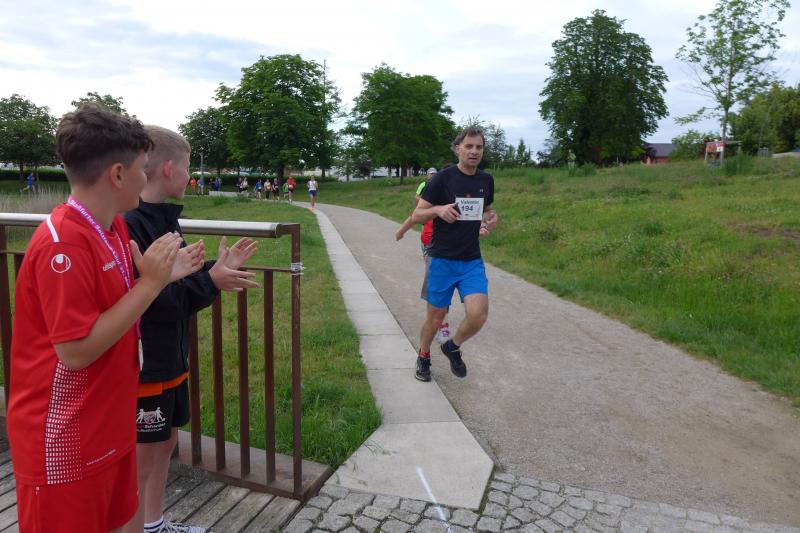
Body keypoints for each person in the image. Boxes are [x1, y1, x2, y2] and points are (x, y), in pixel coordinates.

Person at [6, 104, 202, 533]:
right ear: (117, 174)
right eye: (141, 169)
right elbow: (75, 351)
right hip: (64, 440)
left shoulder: (113, 229)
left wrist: (163, 276)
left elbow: (118, 307)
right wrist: (150, 284)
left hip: (110, 423)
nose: (145, 178)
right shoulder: (63, 244)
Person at [122, 126, 259, 533]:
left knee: (165, 441)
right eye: (187, 167)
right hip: (147, 363)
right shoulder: (131, 225)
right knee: (143, 455)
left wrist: (214, 271)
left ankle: (154, 523)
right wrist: (212, 281)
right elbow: (152, 302)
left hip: (171, 357)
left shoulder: (164, 220)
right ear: (169, 168)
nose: (190, 176)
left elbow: (173, 285)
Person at [410, 127, 498, 382]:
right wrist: (438, 210)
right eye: (469, 146)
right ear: (458, 148)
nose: (474, 151)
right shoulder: (442, 179)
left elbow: (487, 210)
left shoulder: (486, 180)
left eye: (479, 147)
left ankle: (452, 345)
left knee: (478, 314)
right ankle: (423, 355)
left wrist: (491, 219)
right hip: (442, 260)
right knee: (436, 317)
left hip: (471, 260)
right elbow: (417, 215)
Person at [395, 167, 451, 347]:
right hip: (429, 247)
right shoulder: (431, 204)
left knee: (443, 286)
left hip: (448, 250)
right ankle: (440, 323)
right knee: (437, 286)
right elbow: (414, 217)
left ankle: (441, 322)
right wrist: (401, 231)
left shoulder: (453, 205)